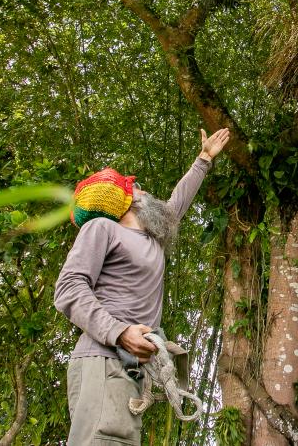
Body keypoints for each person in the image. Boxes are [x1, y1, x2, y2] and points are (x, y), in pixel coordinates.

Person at [54, 128, 230, 445]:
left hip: (129, 371)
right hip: (102, 360)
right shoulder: (102, 228)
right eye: (140, 187)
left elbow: (176, 204)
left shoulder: (151, 239)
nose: (147, 191)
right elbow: (68, 288)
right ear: (130, 199)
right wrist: (120, 332)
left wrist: (203, 159)